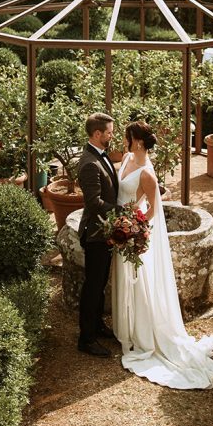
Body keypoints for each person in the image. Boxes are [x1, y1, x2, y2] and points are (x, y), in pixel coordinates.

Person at [112, 120, 213, 389]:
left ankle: (142, 332)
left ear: (137, 141)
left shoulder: (146, 174)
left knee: (138, 281)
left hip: (133, 231)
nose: (124, 141)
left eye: (127, 137)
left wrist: (135, 227)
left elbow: (154, 208)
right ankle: (125, 328)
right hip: (120, 227)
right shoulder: (128, 157)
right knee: (123, 277)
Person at [76, 112, 120, 357]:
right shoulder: (89, 164)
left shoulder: (99, 156)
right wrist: (122, 211)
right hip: (95, 233)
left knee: (100, 283)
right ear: (97, 134)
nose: (111, 136)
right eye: (109, 133)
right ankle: (86, 338)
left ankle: (97, 324)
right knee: (92, 286)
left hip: (105, 231)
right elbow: (94, 203)